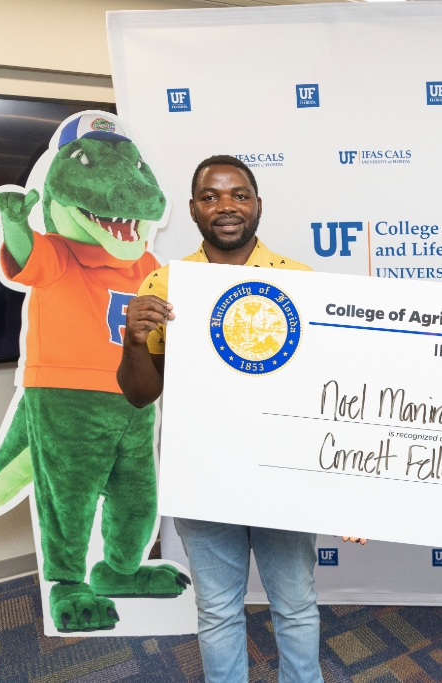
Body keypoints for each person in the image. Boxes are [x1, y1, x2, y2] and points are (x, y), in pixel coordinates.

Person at [118, 155, 365, 683]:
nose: (225, 206)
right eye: (210, 196)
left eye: (238, 195)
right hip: (204, 477)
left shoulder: (301, 282)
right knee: (217, 611)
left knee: (296, 607)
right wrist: (133, 341)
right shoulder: (164, 284)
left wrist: (346, 486)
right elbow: (140, 395)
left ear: (257, 205)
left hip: (282, 473)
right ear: (192, 209)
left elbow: (326, 391)